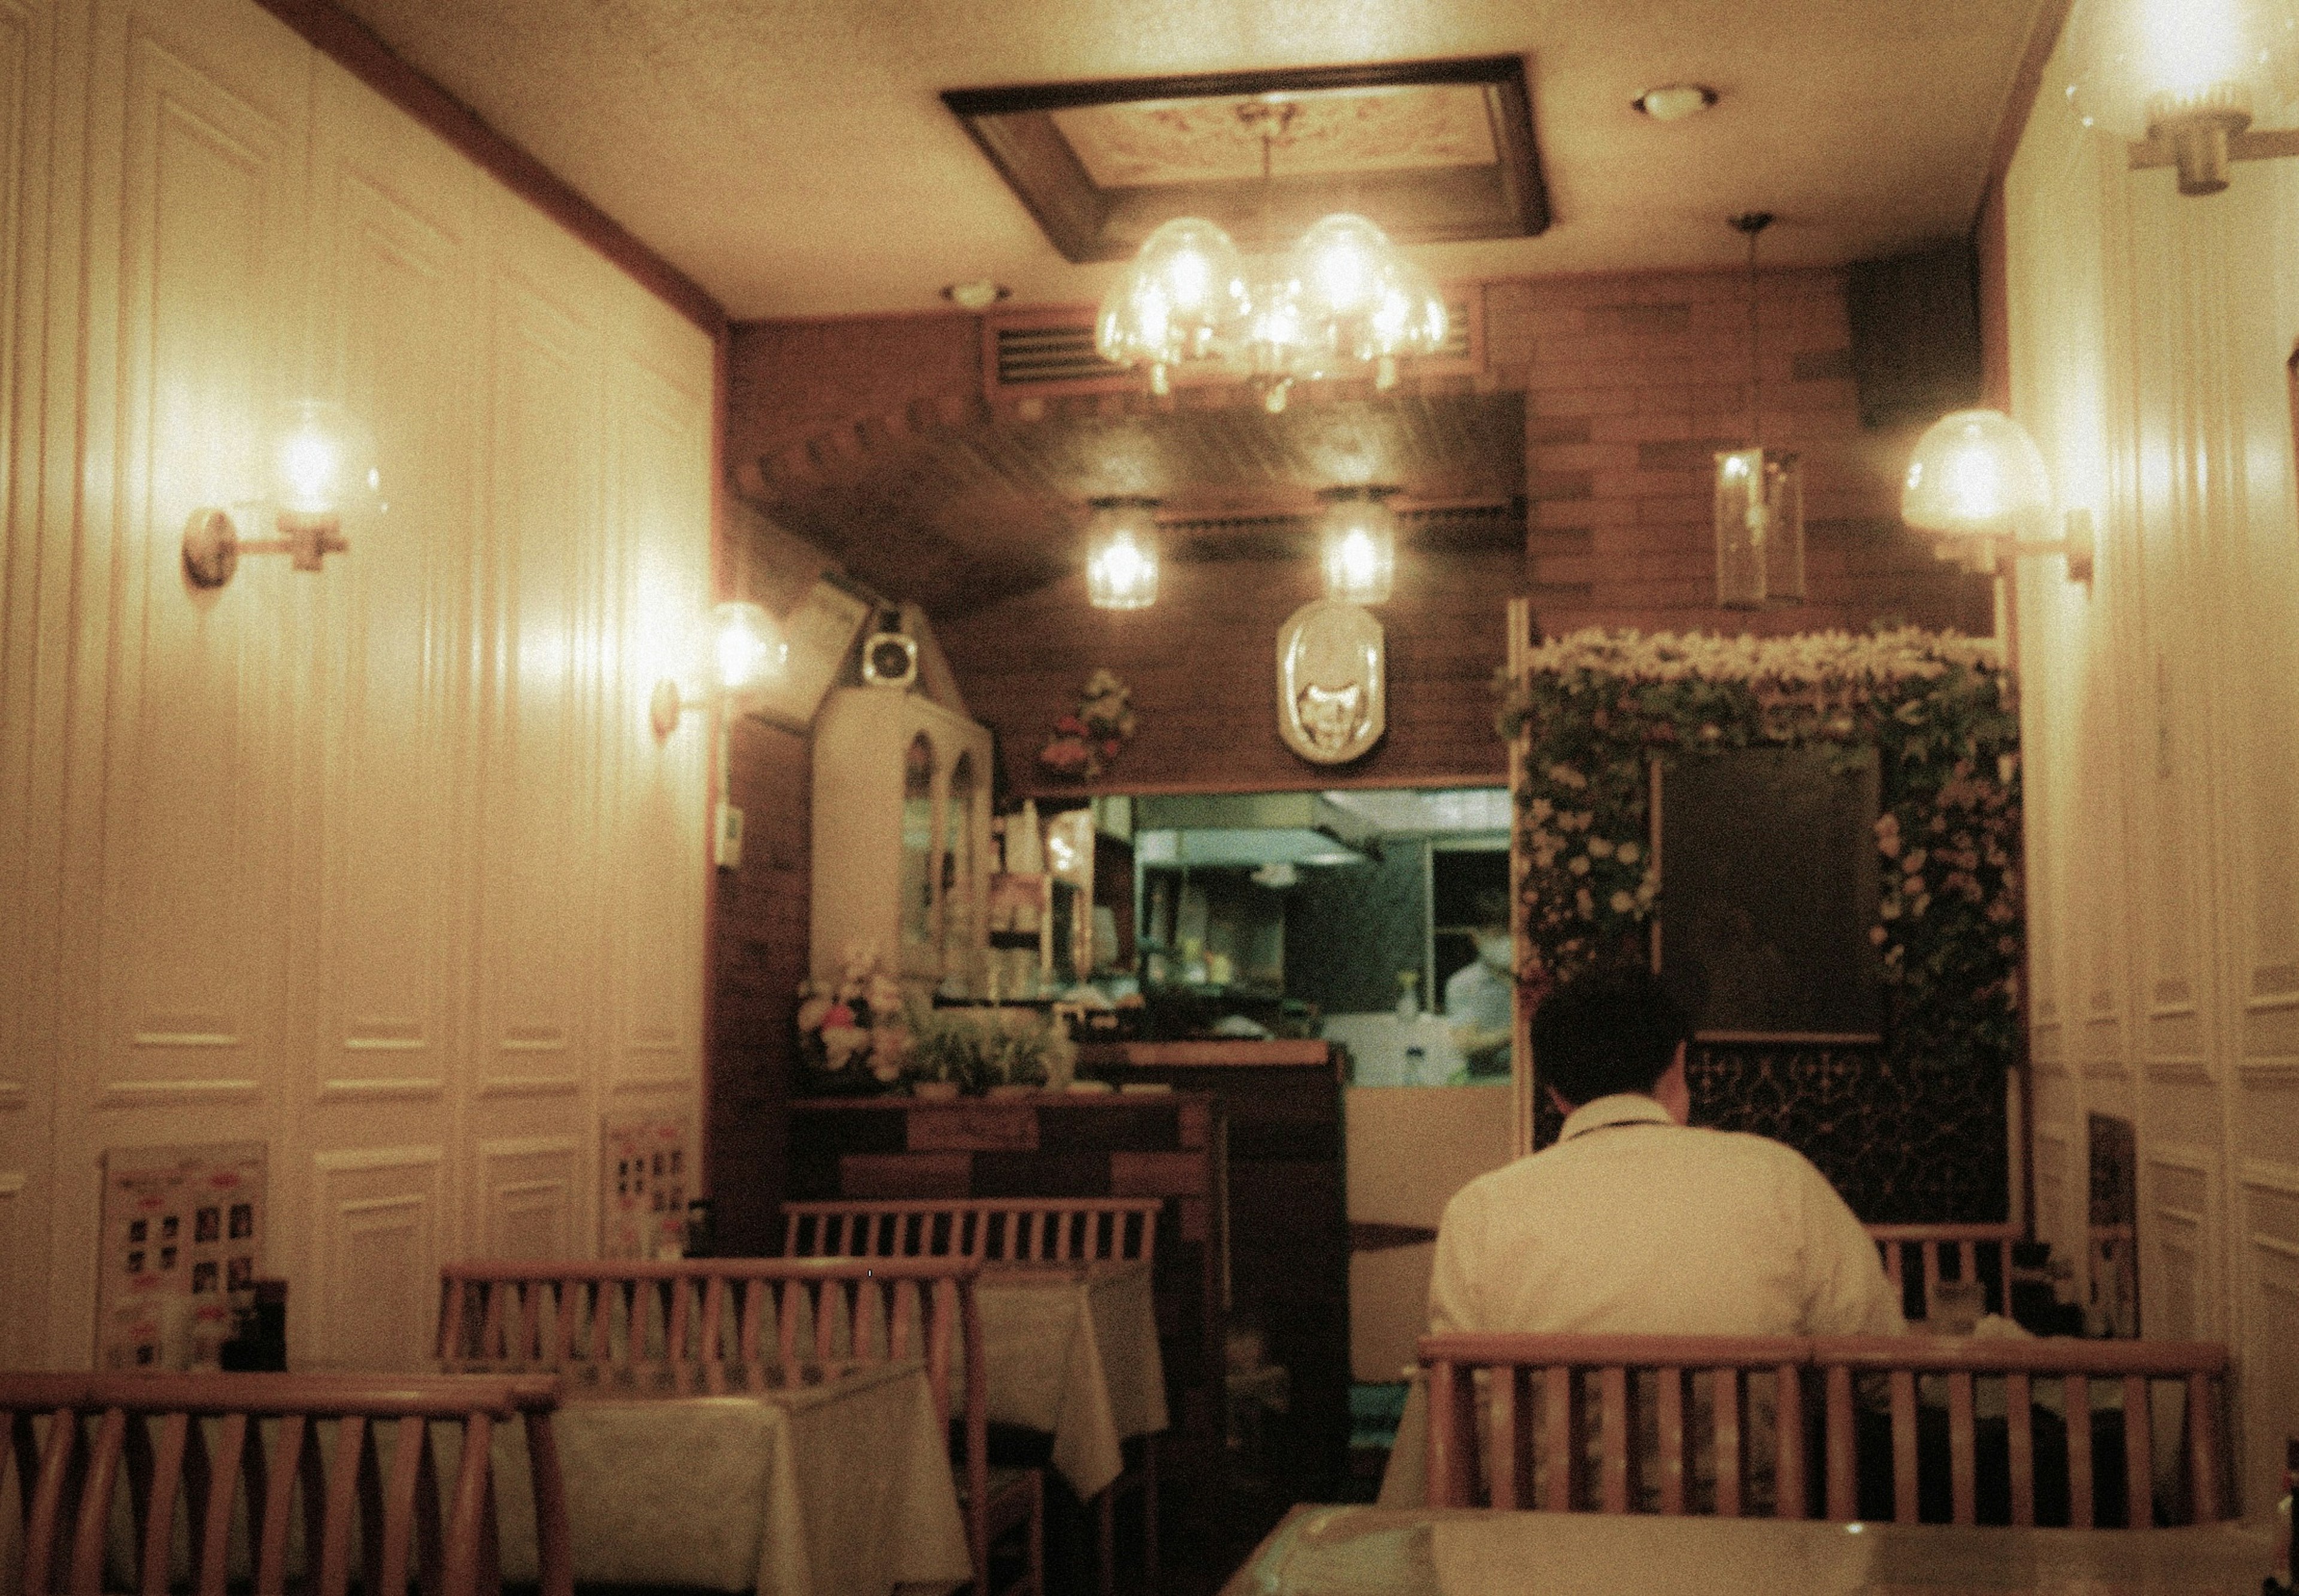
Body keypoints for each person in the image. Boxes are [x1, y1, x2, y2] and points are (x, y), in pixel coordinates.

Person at [1428, 961, 1903, 1338]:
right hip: (1750, 1465)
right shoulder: (1780, 1178)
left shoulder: (1478, 1211)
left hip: (1547, 1465)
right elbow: (1880, 1360)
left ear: (1553, 1092)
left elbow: (1463, 1398)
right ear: (1678, 1063)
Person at [1440, 892, 1515, 1081]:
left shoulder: (1532, 976)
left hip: (1531, 1086)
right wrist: (1518, 1033)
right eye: (1498, 936)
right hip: (1485, 1084)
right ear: (1475, 938)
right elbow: (1467, 1043)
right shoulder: (1463, 984)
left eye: (1511, 934)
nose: (1508, 942)